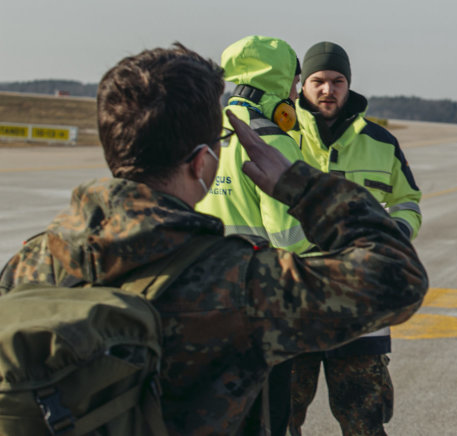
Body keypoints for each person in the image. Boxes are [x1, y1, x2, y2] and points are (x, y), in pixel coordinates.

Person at [0, 45, 428, 435]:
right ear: (203, 162)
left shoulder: (32, 263)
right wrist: (299, 185)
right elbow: (398, 276)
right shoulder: (238, 281)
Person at [289, 41, 422, 435]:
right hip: (293, 301)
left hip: (361, 307)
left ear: (348, 85)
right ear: (302, 85)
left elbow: (408, 202)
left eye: (337, 81)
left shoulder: (381, 143)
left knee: (365, 422)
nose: (328, 89)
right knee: (277, 419)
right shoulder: (281, 139)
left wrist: (393, 233)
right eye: (318, 81)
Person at [195, 34, 310, 434]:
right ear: (279, 83)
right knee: (269, 417)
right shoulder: (273, 141)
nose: (297, 93)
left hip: (205, 297)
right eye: (294, 83)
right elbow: (291, 237)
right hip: (263, 304)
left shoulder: (211, 135)